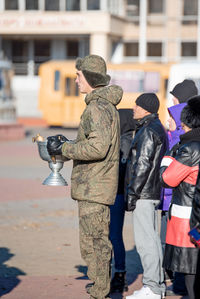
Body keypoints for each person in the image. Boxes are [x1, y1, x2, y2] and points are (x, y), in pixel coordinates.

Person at [46, 54, 123, 299]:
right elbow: (92, 144)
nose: (76, 79)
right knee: (92, 243)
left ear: (90, 78)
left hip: (95, 188)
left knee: (95, 244)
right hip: (94, 186)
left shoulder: (97, 108)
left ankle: (100, 292)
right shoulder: (101, 106)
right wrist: (66, 144)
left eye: (79, 75)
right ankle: (99, 287)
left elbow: (97, 149)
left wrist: (65, 149)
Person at [125, 93, 167, 299]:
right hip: (152, 192)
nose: (134, 107)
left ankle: (152, 287)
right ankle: (156, 285)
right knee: (152, 239)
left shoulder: (148, 131)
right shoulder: (155, 127)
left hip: (144, 193)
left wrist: (132, 193)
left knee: (145, 242)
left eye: (138, 105)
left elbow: (142, 165)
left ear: (146, 108)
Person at [160, 79, 198, 296]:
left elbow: (168, 177)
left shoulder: (188, 145)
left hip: (183, 209)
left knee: (186, 262)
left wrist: (167, 156)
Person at [110, 109, 135, 294]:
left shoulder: (124, 143)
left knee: (114, 236)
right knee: (113, 235)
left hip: (117, 194)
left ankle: (119, 275)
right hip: (115, 193)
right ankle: (116, 274)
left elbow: (120, 170)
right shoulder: (125, 139)